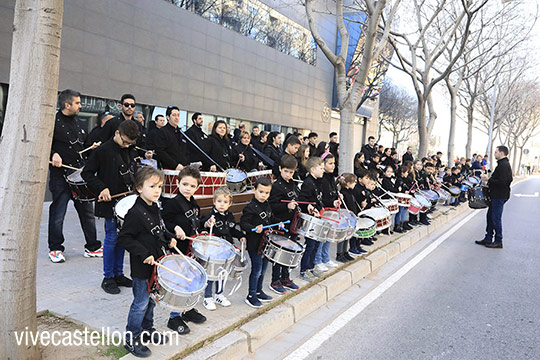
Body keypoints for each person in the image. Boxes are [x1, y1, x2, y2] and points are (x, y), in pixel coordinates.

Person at [117, 167, 172, 357]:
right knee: (140, 303)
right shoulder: (135, 212)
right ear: (139, 188)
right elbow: (124, 238)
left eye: (160, 186)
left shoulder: (154, 206)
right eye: (152, 186)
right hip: (142, 267)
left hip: (156, 265)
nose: (157, 190)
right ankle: (131, 339)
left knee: (151, 301)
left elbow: (158, 230)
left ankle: (147, 330)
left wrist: (169, 237)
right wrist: (143, 253)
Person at [82, 120, 139, 294]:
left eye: (131, 143)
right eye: (125, 141)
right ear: (116, 133)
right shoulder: (102, 151)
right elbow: (87, 173)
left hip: (126, 201)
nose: (127, 145)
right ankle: (108, 277)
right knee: (112, 238)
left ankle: (119, 274)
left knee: (123, 238)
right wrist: (102, 188)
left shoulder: (130, 149)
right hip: (109, 202)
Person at [48, 89, 102, 263]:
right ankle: (55, 248)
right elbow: (44, 144)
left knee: (87, 213)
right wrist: (53, 154)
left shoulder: (80, 123)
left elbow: (83, 147)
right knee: (58, 214)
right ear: (67, 104)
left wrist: (91, 147)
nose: (80, 106)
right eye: (77, 103)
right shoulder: (52, 122)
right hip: (60, 176)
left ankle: (92, 246)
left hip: (78, 173)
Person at [162, 166, 212, 334]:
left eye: (192, 186)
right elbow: (164, 222)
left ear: (197, 187)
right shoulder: (172, 203)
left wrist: (206, 223)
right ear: (177, 183)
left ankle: (187, 310)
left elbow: (195, 222)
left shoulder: (193, 202)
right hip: (178, 249)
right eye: (185, 184)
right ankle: (174, 316)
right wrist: (175, 227)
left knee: (192, 280)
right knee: (181, 283)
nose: (188, 188)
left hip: (190, 249)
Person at [201, 187, 246, 310]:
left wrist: (241, 236)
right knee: (211, 274)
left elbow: (232, 230)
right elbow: (203, 227)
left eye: (225, 202)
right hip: (213, 250)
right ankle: (207, 297)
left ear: (230, 204)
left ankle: (219, 294)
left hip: (226, 249)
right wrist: (207, 224)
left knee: (222, 274)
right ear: (214, 201)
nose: (222, 204)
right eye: (219, 201)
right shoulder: (209, 216)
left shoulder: (229, 216)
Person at [240, 177, 278, 308]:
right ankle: (251, 295)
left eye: (267, 193)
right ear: (254, 190)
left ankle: (258, 290)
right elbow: (243, 224)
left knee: (263, 269)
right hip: (254, 244)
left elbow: (271, 218)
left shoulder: (267, 205)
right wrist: (254, 229)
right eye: (261, 192)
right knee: (257, 270)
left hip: (266, 243)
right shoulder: (250, 208)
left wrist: (277, 223)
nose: (264, 195)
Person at [268, 155, 301, 294]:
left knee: (290, 252)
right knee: (279, 254)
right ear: (280, 169)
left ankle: (286, 277)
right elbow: (271, 206)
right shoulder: (276, 186)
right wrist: (287, 206)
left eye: (291, 172)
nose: (288, 175)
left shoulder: (292, 184)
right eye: (286, 171)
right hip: (279, 223)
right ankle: (275, 280)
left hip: (291, 224)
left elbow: (298, 198)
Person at [476, 146, 513, 249]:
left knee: (496, 218)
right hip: (496, 195)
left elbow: (504, 182)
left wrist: (488, 179)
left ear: (501, 153)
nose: (494, 154)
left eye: (496, 152)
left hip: (499, 195)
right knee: (490, 217)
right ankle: (488, 238)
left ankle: (498, 240)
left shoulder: (504, 165)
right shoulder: (502, 164)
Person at [298, 157, 325, 282]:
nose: (323, 170)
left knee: (316, 244)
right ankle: (304, 269)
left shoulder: (318, 181)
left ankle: (312, 266)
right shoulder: (308, 183)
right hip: (310, 219)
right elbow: (302, 199)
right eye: (321, 168)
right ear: (313, 169)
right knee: (310, 245)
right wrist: (309, 206)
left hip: (317, 217)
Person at [339, 174, 367, 255]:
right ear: (348, 183)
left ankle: (356, 247)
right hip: (348, 217)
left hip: (354, 214)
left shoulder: (351, 191)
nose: (355, 183)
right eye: (353, 182)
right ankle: (348, 250)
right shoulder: (343, 193)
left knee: (355, 232)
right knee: (348, 235)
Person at [156, 106, 188, 171]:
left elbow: (186, 151)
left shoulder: (181, 133)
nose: (177, 118)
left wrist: (186, 163)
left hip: (183, 169)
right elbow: (161, 152)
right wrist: (175, 165)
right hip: (169, 170)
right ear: (168, 117)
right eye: (174, 115)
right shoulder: (162, 131)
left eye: (178, 115)